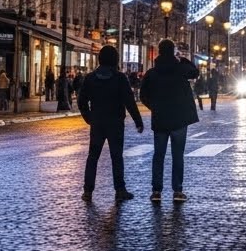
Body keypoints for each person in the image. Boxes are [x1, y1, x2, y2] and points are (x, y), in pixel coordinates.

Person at [79, 45, 145, 202]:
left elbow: (82, 101)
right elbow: (129, 101)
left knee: (93, 157)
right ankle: (120, 190)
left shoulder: (90, 78)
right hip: (115, 122)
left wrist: (89, 118)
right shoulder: (120, 78)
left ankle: (88, 191)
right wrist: (137, 120)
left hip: (97, 122)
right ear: (115, 59)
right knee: (117, 157)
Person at [140, 39, 199, 203]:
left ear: (159, 51)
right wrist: (182, 59)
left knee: (158, 155)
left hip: (160, 119)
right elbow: (195, 72)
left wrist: (154, 107)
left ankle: (156, 190)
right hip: (179, 118)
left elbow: (143, 94)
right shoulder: (180, 69)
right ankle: (177, 190)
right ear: (173, 51)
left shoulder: (152, 72)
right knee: (177, 155)